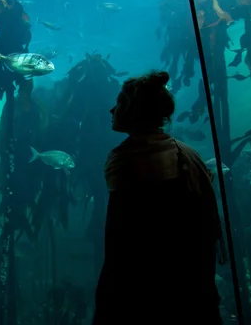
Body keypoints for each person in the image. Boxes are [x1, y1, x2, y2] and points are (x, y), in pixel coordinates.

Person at [93, 70, 226, 325]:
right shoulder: (189, 154)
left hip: (145, 293)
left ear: (136, 109)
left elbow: (121, 238)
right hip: (193, 287)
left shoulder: (125, 159)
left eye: (120, 102)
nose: (112, 109)